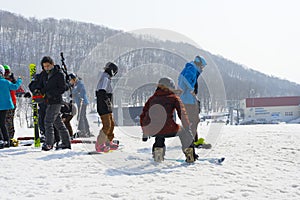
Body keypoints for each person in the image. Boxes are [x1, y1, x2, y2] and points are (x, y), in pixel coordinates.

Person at [140, 77, 198, 163]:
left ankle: (158, 152)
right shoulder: (174, 98)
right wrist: (188, 129)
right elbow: (182, 115)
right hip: (169, 128)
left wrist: (145, 131)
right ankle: (190, 153)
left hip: (154, 129)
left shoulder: (152, 99)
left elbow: (144, 115)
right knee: (183, 133)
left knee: (159, 134)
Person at [38, 56, 71, 151]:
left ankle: (49, 143)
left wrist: (50, 94)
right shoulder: (44, 75)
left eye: (48, 66)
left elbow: (62, 88)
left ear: (52, 64)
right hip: (48, 101)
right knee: (58, 123)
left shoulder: (59, 74)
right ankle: (66, 142)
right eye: (45, 66)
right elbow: (42, 85)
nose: (47, 68)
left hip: (56, 101)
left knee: (48, 122)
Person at [178, 55, 207, 145]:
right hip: (187, 101)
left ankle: (193, 140)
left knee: (193, 120)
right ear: (199, 64)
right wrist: (192, 90)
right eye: (202, 66)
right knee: (192, 121)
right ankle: (192, 141)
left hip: (189, 100)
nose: (202, 69)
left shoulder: (192, 68)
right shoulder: (191, 68)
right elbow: (185, 79)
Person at [95, 62, 119, 152]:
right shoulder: (105, 77)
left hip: (107, 105)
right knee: (107, 125)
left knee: (112, 124)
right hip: (103, 105)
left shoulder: (107, 78)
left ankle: (109, 141)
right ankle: (100, 144)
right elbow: (101, 91)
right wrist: (106, 102)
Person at [0, 65, 22, 148]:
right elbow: (15, 86)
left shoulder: (6, 81)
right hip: (6, 105)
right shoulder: (6, 82)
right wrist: (19, 80)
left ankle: (3, 139)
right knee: (3, 123)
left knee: (2, 123)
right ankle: (6, 139)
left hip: (5, 105)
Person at [69, 73, 91, 137]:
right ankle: (84, 130)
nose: (71, 82)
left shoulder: (80, 83)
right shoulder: (75, 85)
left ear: (74, 79)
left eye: (71, 80)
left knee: (81, 116)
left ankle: (84, 130)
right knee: (81, 116)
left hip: (82, 102)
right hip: (79, 102)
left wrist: (78, 95)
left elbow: (82, 92)